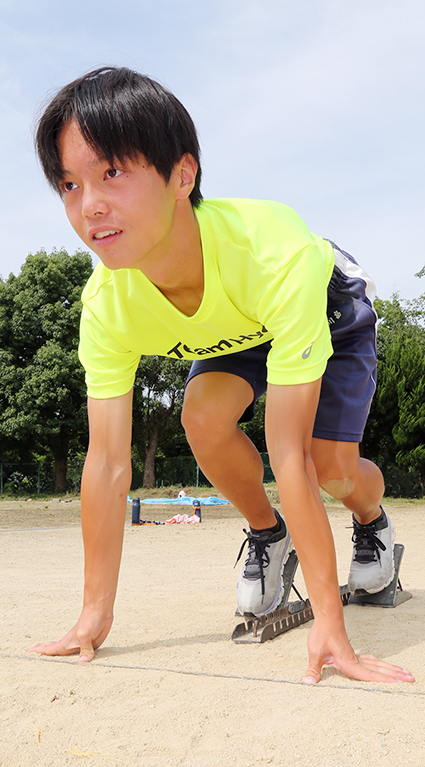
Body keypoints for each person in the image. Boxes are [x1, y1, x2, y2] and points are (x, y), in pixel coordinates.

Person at [30, 67, 414, 684]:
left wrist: (330, 622)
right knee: (203, 419)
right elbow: (106, 462)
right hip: (236, 328)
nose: (89, 205)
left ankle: (372, 523)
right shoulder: (106, 305)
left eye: (112, 173)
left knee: (329, 466)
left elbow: (288, 455)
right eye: (69, 185)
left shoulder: (274, 254)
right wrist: (94, 612)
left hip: (321, 304)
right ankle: (269, 533)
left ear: (182, 175)